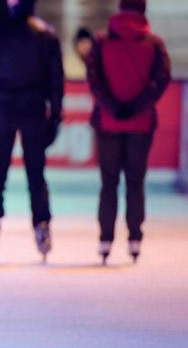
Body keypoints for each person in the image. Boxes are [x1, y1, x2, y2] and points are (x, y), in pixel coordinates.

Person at [86, 0, 170, 264]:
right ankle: (134, 237)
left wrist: (111, 106)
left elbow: (94, 78)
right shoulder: (154, 44)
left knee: (108, 183)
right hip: (140, 124)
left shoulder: (101, 42)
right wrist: (137, 105)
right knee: (135, 182)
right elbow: (161, 79)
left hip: (108, 122)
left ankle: (105, 238)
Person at [0, 0, 63, 264]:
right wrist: (56, 114)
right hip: (33, 108)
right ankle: (42, 226)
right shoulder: (45, 34)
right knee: (36, 174)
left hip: (3, 108)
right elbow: (55, 79)